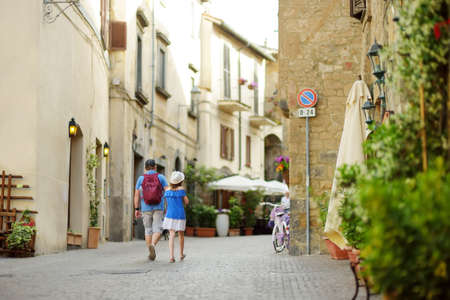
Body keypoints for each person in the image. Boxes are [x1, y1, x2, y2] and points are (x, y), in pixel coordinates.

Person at [134, 159, 168, 261]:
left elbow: (136, 195)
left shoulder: (141, 178)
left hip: (145, 207)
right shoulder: (161, 177)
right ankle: (153, 245)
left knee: (148, 229)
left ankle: (150, 251)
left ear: (145, 167)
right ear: (155, 167)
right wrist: (168, 206)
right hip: (159, 206)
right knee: (158, 228)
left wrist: (136, 208)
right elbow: (168, 192)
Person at [162, 171, 189, 263]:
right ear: (180, 181)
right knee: (181, 235)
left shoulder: (167, 190)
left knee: (171, 234)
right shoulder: (181, 189)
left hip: (169, 215)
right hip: (180, 215)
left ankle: (171, 257)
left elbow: (166, 203)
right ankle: (181, 254)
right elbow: (187, 202)